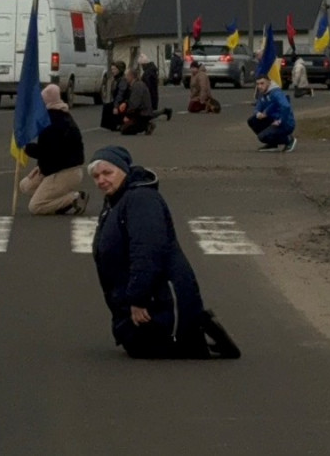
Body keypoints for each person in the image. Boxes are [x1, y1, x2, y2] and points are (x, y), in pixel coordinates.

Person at [88, 145, 241, 359]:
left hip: (162, 293)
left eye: (107, 173)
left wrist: (138, 298)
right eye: (96, 176)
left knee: (152, 348)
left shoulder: (141, 199)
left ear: (124, 170)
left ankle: (200, 332)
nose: (101, 180)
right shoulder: (116, 200)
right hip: (142, 293)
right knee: (134, 343)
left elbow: (148, 251)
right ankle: (194, 329)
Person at [19, 84, 89, 214]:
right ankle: (58, 200)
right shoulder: (58, 115)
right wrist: (41, 167)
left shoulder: (53, 122)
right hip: (58, 167)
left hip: (66, 171)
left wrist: (26, 147)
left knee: (35, 206)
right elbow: (52, 151)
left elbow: (48, 152)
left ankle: (75, 198)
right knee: (26, 185)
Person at [248, 75, 297, 153]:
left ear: (269, 82)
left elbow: (286, 106)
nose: (260, 86)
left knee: (261, 137)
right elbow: (257, 108)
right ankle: (272, 144)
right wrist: (258, 114)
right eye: (258, 84)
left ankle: (288, 140)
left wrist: (280, 121)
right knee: (252, 120)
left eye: (262, 83)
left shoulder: (276, 93)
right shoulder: (262, 94)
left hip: (285, 123)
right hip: (272, 120)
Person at [120, 68, 156, 136]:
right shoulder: (136, 84)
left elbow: (134, 104)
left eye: (126, 76)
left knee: (125, 130)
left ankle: (146, 125)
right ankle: (144, 125)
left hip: (143, 114)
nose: (125, 78)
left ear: (131, 76)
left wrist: (128, 116)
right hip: (141, 112)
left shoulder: (137, 86)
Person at [137, 53, 172, 121]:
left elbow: (147, 85)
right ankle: (165, 111)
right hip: (152, 94)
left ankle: (165, 111)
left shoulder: (148, 73)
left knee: (148, 113)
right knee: (149, 112)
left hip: (149, 95)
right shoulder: (151, 71)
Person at [101, 61, 129, 131]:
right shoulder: (117, 79)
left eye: (114, 69)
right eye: (112, 69)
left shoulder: (122, 80)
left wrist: (116, 106)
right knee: (107, 106)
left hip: (124, 102)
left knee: (109, 107)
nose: (113, 71)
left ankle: (117, 124)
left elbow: (120, 94)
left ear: (119, 70)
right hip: (119, 100)